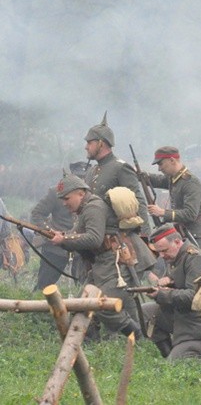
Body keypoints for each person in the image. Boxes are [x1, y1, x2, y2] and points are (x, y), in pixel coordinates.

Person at [48, 174, 141, 338]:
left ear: (81, 194)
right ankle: (88, 346)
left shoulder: (93, 208)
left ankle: (137, 336)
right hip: (102, 264)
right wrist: (63, 237)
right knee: (82, 306)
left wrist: (65, 239)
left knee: (101, 305)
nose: (64, 203)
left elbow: (93, 239)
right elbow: (77, 234)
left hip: (113, 264)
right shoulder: (86, 208)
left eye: (67, 198)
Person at [84, 113, 156, 275]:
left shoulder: (120, 167)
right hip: (96, 239)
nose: (86, 146)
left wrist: (144, 236)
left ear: (101, 143)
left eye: (89, 142)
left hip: (118, 239)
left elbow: (137, 202)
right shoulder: (91, 171)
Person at [141, 224, 201, 360]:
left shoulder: (195, 258)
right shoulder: (175, 256)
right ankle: (168, 354)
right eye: (159, 252)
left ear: (177, 241)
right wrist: (166, 282)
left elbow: (194, 297)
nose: (162, 256)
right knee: (146, 312)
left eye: (164, 250)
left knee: (177, 362)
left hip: (198, 321)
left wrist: (162, 294)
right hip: (182, 314)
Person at [30, 161, 89, 290]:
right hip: (55, 249)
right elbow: (37, 214)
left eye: (84, 177)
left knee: (84, 288)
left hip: (80, 248)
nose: (81, 180)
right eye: (78, 176)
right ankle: (35, 309)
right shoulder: (55, 192)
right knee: (44, 286)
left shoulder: (90, 196)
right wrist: (49, 233)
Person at [146, 146, 201, 251]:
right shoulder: (175, 178)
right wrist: (142, 175)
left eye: (161, 164)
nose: (159, 168)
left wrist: (162, 212)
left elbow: (190, 214)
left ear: (172, 160)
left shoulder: (190, 182)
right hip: (183, 233)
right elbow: (158, 180)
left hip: (194, 236)